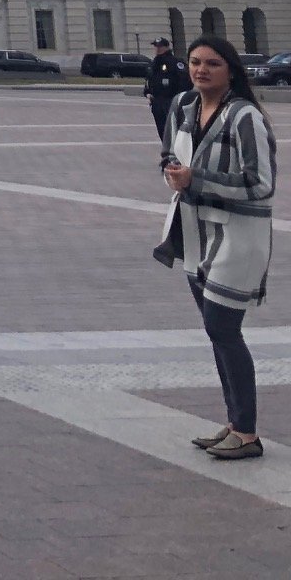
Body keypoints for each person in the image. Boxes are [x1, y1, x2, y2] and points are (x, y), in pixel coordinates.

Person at [156, 33, 276, 460]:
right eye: (195, 62)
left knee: (224, 330)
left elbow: (260, 184)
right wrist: (172, 170)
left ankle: (247, 432)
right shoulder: (183, 106)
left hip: (237, 237)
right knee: (216, 332)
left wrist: (197, 181)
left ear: (231, 70)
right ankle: (234, 423)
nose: (201, 70)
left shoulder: (244, 117)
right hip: (194, 233)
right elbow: (170, 154)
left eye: (212, 63)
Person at [146, 37, 187, 140]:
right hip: (157, 101)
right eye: (156, 46)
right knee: (162, 129)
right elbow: (149, 80)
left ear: (167, 47)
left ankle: (176, 152)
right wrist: (147, 92)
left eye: (160, 46)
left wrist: (178, 99)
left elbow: (185, 81)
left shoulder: (175, 62)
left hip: (171, 100)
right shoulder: (154, 63)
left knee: (174, 129)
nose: (157, 49)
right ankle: (166, 151)